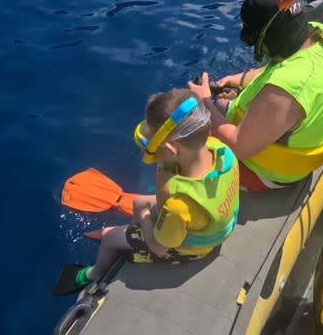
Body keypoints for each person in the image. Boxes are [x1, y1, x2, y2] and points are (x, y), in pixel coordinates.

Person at [52, 89, 240, 295]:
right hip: (205, 220)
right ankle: (131, 236)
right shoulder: (222, 152)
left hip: (191, 248)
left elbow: (160, 247)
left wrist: (144, 218)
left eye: (154, 147)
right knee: (138, 202)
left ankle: (94, 273)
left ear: (171, 149)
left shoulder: (178, 205)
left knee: (109, 237)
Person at [188, 0, 323, 192]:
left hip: (266, 171)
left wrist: (204, 103)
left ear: (269, 37)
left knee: (181, 141)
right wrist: (237, 80)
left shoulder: (287, 91)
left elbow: (237, 146)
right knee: (212, 104)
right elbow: (282, 64)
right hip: (287, 135)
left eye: (254, 41)